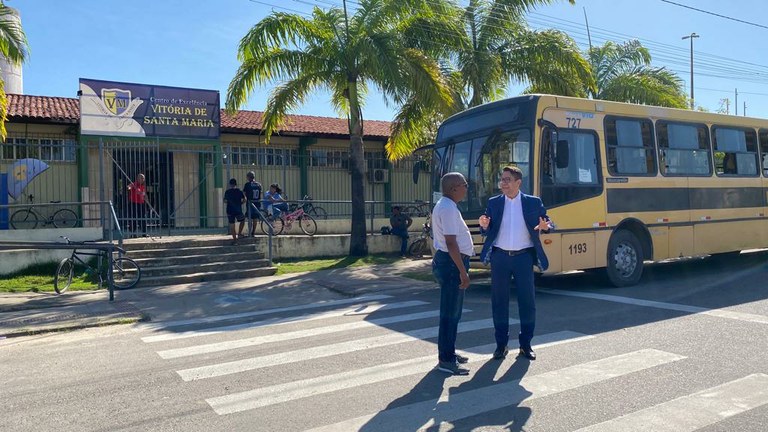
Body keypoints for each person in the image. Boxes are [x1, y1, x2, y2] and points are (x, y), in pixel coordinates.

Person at [478, 165, 553, 361]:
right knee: (499, 302)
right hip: (500, 257)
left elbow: (547, 222)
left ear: (518, 183)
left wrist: (546, 227)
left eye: (507, 180)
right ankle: (501, 345)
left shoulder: (533, 202)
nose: (503, 183)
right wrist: (484, 226)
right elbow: (487, 228)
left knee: (527, 302)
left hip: (523, 257)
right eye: (501, 179)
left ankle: (525, 345)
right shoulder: (494, 203)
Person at [432, 172, 474, 375]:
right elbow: (450, 242)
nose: (467, 188)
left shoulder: (446, 205)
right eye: (464, 184)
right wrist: (462, 272)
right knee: (450, 313)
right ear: (454, 188)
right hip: (452, 265)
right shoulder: (448, 208)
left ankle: (449, 351)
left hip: (450, 263)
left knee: (453, 313)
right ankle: (446, 360)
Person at [224, 178, 246, 242]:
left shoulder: (227, 192)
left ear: (230, 184)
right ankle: (239, 233)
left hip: (230, 210)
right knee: (242, 220)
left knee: (232, 225)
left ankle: (234, 240)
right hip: (238, 210)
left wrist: (229, 202)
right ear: (236, 184)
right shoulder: (239, 191)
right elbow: (245, 199)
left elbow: (225, 200)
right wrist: (240, 203)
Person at [242, 171, 262, 236]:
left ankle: (249, 232)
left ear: (248, 177)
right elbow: (260, 193)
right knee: (255, 218)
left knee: (250, 218)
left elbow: (244, 194)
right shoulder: (258, 184)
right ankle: (253, 232)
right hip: (257, 202)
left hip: (250, 203)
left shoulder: (247, 185)